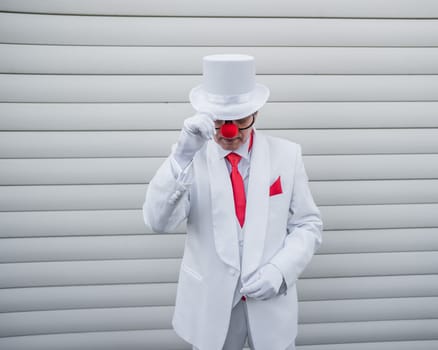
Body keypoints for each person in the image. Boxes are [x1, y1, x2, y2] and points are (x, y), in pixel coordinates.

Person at [143, 54, 323, 350]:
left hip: (271, 309)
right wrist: (181, 157)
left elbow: (308, 224)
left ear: (256, 114)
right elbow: (157, 222)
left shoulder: (287, 156)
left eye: (241, 120)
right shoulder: (188, 159)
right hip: (210, 310)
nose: (230, 133)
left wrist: (280, 271)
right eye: (220, 122)